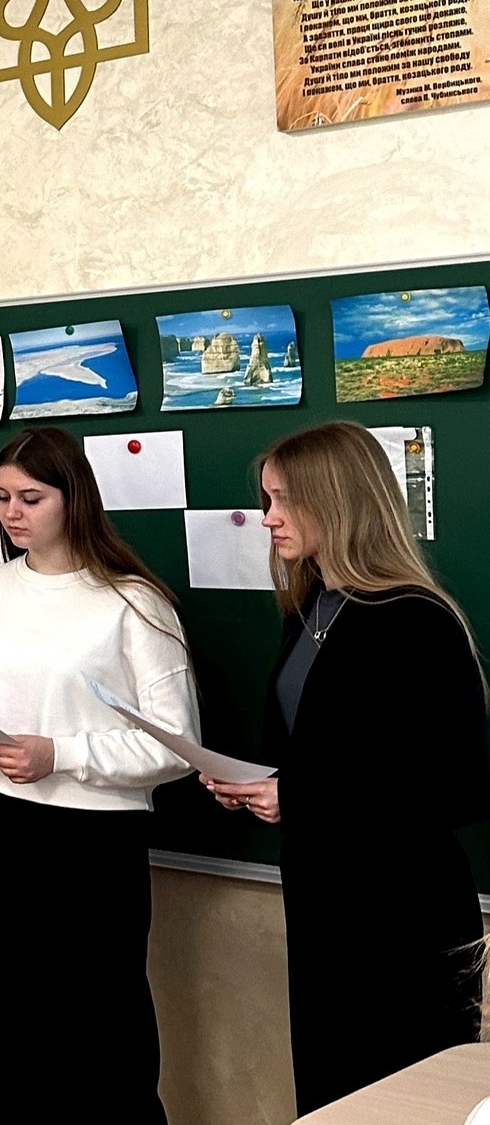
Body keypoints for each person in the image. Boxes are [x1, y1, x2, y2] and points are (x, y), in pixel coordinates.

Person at [0, 427, 197, 1125]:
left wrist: (58, 754)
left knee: (102, 1031)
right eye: (2, 497)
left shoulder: (132, 602)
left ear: (74, 498)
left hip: (92, 838)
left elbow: (178, 746)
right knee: (15, 1023)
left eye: (31, 498)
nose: (13, 512)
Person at [203, 421, 490, 1114]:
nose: (267, 518)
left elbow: (457, 786)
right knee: (333, 1095)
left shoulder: (416, 620)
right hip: (321, 900)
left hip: (402, 914)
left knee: (402, 1096)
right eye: (266, 499)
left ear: (337, 500)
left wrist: (297, 796)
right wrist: (253, 783)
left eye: (283, 500)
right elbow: (321, 752)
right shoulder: (308, 609)